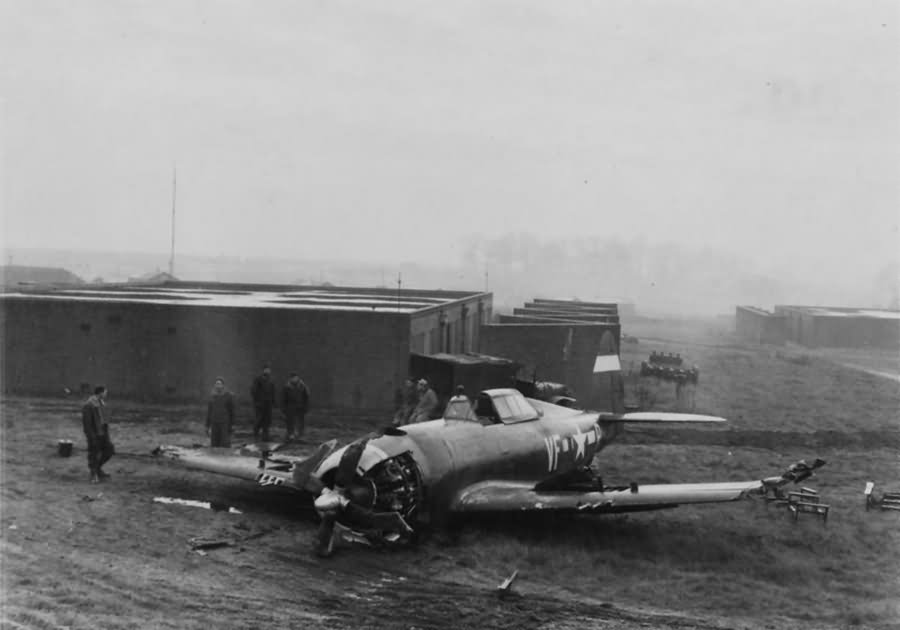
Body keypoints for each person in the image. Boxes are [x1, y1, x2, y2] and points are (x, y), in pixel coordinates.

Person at [82, 385, 114, 483]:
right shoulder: (89, 405)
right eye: (105, 392)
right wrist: (91, 436)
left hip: (103, 434)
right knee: (93, 454)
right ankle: (93, 474)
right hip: (94, 435)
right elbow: (87, 424)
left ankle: (98, 469)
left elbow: (105, 422)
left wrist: (107, 435)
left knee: (109, 450)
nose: (106, 394)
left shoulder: (103, 404)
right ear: (100, 393)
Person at [206, 377, 235, 447]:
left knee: (224, 443)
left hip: (224, 423)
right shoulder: (212, 397)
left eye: (219, 384)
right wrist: (207, 425)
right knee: (214, 444)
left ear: (223, 385)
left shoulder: (228, 396)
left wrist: (233, 424)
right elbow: (209, 412)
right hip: (214, 423)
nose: (218, 386)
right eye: (217, 384)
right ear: (214, 386)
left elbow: (232, 411)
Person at [280, 372, 310, 441]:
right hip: (290, 407)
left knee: (301, 421)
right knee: (290, 422)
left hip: (300, 407)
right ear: (291, 379)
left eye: (296, 378)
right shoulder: (286, 387)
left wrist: (306, 406)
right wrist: (283, 409)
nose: (295, 379)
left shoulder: (302, 386)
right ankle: (290, 434)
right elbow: (283, 399)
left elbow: (306, 397)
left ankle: (300, 434)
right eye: (293, 378)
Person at [251, 365, 276, 442]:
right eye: (266, 370)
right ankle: (256, 435)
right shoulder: (258, 379)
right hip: (260, 404)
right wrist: (257, 401)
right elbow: (253, 391)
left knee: (267, 421)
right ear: (263, 370)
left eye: (268, 370)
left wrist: (273, 402)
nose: (267, 371)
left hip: (268, 404)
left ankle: (265, 436)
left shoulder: (271, 380)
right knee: (259, 420)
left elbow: (273, 392)